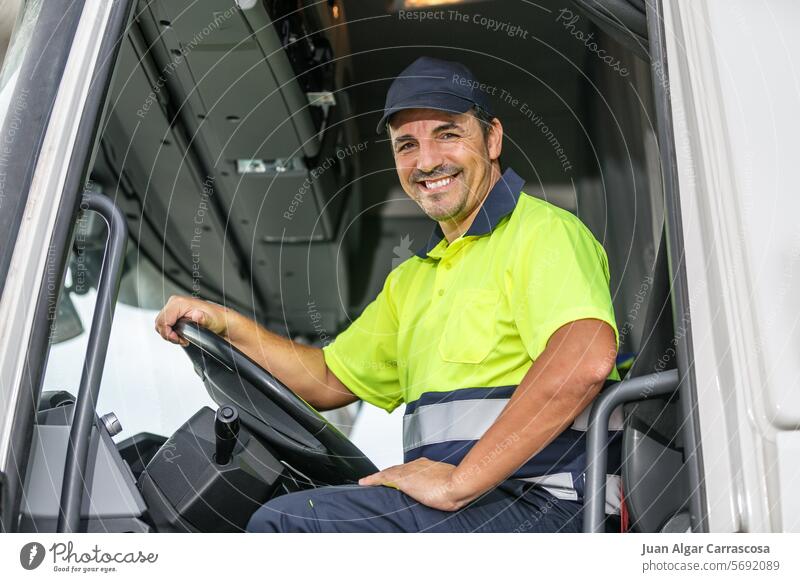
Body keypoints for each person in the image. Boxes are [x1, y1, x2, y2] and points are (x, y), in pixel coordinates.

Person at [155, 56, 620, 533]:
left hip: (549, 502)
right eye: (406, 145)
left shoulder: (542, 233)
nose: (426, 161)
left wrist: (460, 481)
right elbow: (326, 380)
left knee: (289, 529)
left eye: (448, 134)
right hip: (474, 508)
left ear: (493, 138)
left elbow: (582, 360)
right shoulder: (413, 280)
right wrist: (225, 323)